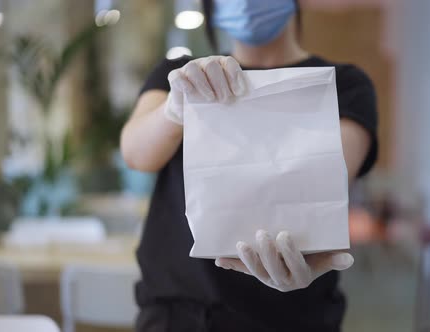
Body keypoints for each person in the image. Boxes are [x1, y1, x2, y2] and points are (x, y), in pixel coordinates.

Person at [120, 0, 378, 331]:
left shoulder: (344, 85)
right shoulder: (182, 75)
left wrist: (309, 257)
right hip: (179, 315)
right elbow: (136, 152)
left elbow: (331, 178)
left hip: (293, 317)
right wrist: (175, 108)